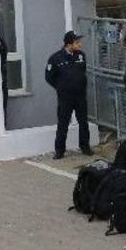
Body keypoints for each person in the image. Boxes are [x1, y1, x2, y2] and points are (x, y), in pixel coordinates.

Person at [45, 30, 90, 159]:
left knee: (83, 122)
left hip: (80, 96)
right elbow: (49, 77)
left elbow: (82, 72)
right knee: (63, 124)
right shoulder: (55, 58)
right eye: (77, 42)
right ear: (69, 44)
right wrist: (61, 87)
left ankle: (85, 146)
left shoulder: (81, 55)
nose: (80, 44)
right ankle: (60, 150)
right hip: (65, 97)